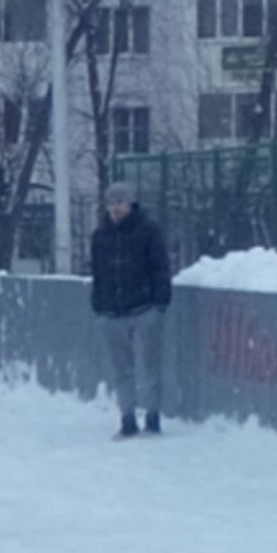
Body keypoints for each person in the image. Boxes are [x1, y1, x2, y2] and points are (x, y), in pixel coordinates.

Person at [90, 181, 171, 439]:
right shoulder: (100, 236)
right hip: (111, 312)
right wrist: (100, 305)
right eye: (111, 202)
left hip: (144, 308)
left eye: (120, 202)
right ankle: (127, 418)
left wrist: (159, 303)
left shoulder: (148, 230)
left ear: (131, 203)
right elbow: (98, 273)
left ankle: (152, 417)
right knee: (120, 369)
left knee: (149, 366)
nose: (115, 208)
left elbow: (160, 267)